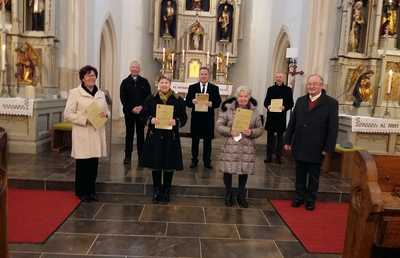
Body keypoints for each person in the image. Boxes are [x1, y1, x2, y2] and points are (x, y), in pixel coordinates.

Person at [284, 74, 338, 211]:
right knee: (299, 173)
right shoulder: (301, 100)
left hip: (317, 146)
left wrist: (328, 147)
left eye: (315, 84)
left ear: (321, 86)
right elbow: (292, 122)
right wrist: (287, 140)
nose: (312, 86)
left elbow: (333, 128)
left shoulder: (331, 103)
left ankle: (310, 199)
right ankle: (299, 197)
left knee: (314, 176)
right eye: (309, 84)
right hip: (300, 143)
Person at [64, 65, 110, 202]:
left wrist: (105, 115)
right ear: (83, 78)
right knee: (83, 165)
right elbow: (67, 114)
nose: (92, 77)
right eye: (89, 75)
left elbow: (107, 111)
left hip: (96, 132)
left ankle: (91, 191)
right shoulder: (75, 93)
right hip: (83, 133)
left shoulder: (100, 94)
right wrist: (85, 120)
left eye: (94, 75)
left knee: (93, 165)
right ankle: (81, 192)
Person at [141, 75, 187, 203]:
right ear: (158, 84)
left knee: (169, 163)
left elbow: (184, 117)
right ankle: (156, 189)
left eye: (166, 82)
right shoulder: (150, 99)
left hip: (170, 137)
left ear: (170, 84)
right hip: (155, 136)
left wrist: (176, 121)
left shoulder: (177, 99)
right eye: (162, 82)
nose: (164, 85)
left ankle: (167, 190)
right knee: (156, 163)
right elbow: (143, 115)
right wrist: (151, 120)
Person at [216, 86, 263, 208]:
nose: (243, 98)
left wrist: (251, 132)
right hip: (231, 144)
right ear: (237, 97)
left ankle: (241, 195)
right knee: (228, 170)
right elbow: (219, 126)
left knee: (244, 170)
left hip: (247, 146)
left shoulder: (255, 111)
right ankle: (228, 193)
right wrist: (230, 130)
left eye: (245, 96)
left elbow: (260, 129)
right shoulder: (228, 109)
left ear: (249, 97)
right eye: (240, 96)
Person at [185, 67, 221, 169]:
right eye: (202, 74)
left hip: (208, 119)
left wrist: (211, 103)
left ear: (208, 75)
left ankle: (207, 161)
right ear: (199, 75)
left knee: (208, 141)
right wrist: (192, 102)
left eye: (205, 74)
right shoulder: (192, 87)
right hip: (196, 118)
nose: (203, 76)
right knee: (195, 140)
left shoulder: (214, 88)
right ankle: (194, 160)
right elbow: (187, 102)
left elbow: (218, 102)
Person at [120, 61, 151, 165]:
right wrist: (132, 108)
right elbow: (123, 99)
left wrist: (142, 107)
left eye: (136, 67)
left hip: (141, 113)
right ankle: (127, 156)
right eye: (133, 67)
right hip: (129, 113)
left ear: (139, 69)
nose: (134, 69)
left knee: (140, 134)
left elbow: (148, 97)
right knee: (129, 134)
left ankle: (141, 156)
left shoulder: (144, 82)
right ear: (130, 69)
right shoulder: (125, 82)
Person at [264, 72, 294, 164]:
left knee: (280, 138)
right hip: (271, 117)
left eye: (280, 77)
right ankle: (269, 156)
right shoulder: (270, 89)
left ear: (283, 78)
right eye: (277, 77)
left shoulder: (288, 90)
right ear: (275, 78)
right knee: (270, 138)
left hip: (281, 117)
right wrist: (268, 106)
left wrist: (285, 107)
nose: (278, 78)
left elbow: (291, 103)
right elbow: (266, 101)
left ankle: (278, 157)